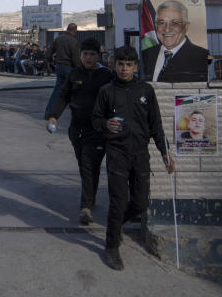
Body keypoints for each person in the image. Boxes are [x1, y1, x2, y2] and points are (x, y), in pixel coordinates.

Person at [92, 45, 174, 271]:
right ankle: (111, 247)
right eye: (120, 64)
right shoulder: (106, 91)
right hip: (116, 153)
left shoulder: (146, 91)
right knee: (118, 202)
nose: (124, 68)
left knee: (140, 203)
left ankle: (116, 226)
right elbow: (96, 120)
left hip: (140, 154)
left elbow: (155, 124)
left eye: (129, 65)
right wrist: (105, 124)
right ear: (113, 65)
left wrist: (165, 151)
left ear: (136, 66)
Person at [46, 38, 114, 224]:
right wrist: (53, 116)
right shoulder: (74, 74)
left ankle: (86, 207)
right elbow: (63, 96)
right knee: (86, 167)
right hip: (77, 129)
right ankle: (90, 199)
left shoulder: (106, 76)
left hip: (97, 130)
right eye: (85, 54)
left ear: (98, 56)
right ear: (80, 55)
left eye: (92, 55)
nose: (88, 58)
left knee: (88, 165)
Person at [141, 0, 209, 83]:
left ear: (185, 26)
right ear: (156, 25)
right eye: (161, 23)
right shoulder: (148, 53)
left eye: (175, 23)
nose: (167, 29)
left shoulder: (200, 56)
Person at [44, 23, 81, 117]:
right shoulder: (74, 41)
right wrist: (79, 70)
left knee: (57, 90)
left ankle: (49, 111)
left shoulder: (58, 39)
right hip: (69, 68)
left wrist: (52, 63)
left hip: (59, 67)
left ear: (67, 29)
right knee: (75, 88)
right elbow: (75, 59)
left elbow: (48, 54)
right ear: (75, 30)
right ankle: (75, 109)